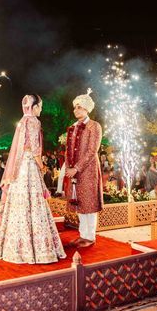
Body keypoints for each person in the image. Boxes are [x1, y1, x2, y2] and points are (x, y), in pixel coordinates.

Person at [0, 94, 66, 264]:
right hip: (29, 167)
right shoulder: (34, 121)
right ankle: (39, 250)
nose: (40, 109)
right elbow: (35, 149)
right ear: (33, 107)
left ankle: (15, 248)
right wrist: (42, 167)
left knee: (19, 204)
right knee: (34, 204)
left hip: (19, 169)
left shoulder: (21, 122)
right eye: (40, 106)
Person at [63, 89, 104, 248]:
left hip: (88, 170)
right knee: (79, 202)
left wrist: (77, 168)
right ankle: (82, 235)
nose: (76, 110)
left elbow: (92, 151)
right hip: (74, 172)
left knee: (89, 203)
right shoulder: (72, 128)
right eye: (75, 107)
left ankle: (90, 236)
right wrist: (68, 167)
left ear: (86, 108)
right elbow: (67, 149)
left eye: (79, 107)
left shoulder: (94, 126)